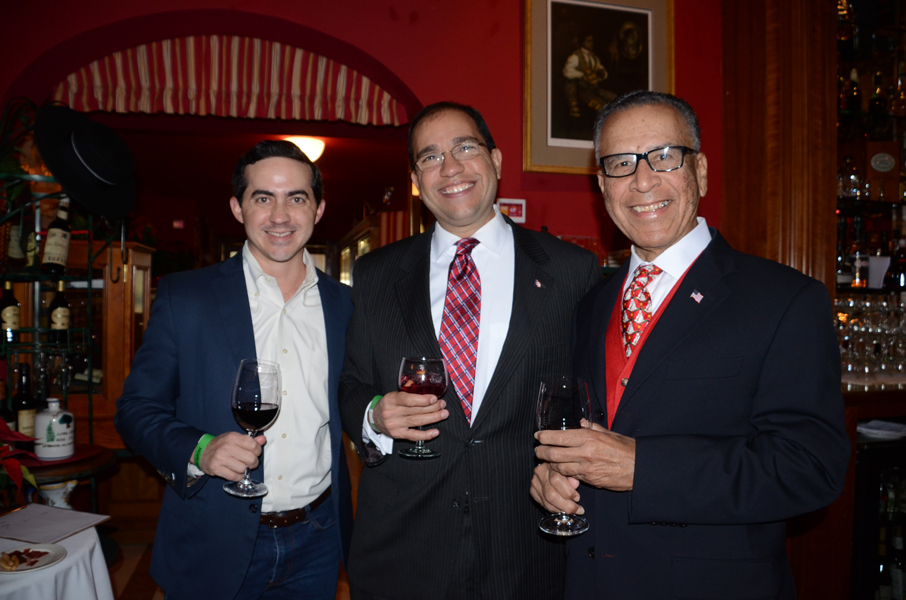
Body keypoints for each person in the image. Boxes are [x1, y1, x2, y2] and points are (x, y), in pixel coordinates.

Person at [531, 90, 850, 600]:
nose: (642, 180)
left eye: (664, 156)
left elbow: (810, 469)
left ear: (699, 171)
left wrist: (645, 470)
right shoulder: (592, 303)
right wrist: (552, 478)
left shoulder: (785, 300)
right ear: (603, 185)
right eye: (621, 163)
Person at [339, 101, 602, 600]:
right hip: (404, 552)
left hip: (525, 549)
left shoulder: (571, 271)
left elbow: (590, 396)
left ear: (496, 160)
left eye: (464, 148)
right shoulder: (375, 275)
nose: (450, 167)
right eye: (430, 157)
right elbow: (352, 384)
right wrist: (374, 414)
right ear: (416, 180)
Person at [115, 140, 353, 600]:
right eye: (263, 198)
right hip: (212, 539)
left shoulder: (346, 305)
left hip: (318, 539)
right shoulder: (186, 298)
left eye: (296, 198)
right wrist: (200, 449)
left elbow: (358, 398)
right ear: (238, 208)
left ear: (318, 209)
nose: (280, 216)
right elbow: (136, 408)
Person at [563, 33, 617, 118]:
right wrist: (581, 75)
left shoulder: (594, 58)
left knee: (616, 99)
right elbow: (567, 71)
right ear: (582, 42)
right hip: (583, 91)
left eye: (592, 41)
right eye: (588, 41)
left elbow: (603, 73)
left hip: (595, 89)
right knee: (603, 107)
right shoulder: (575, 56)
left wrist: (602, 74)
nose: (591, 43)